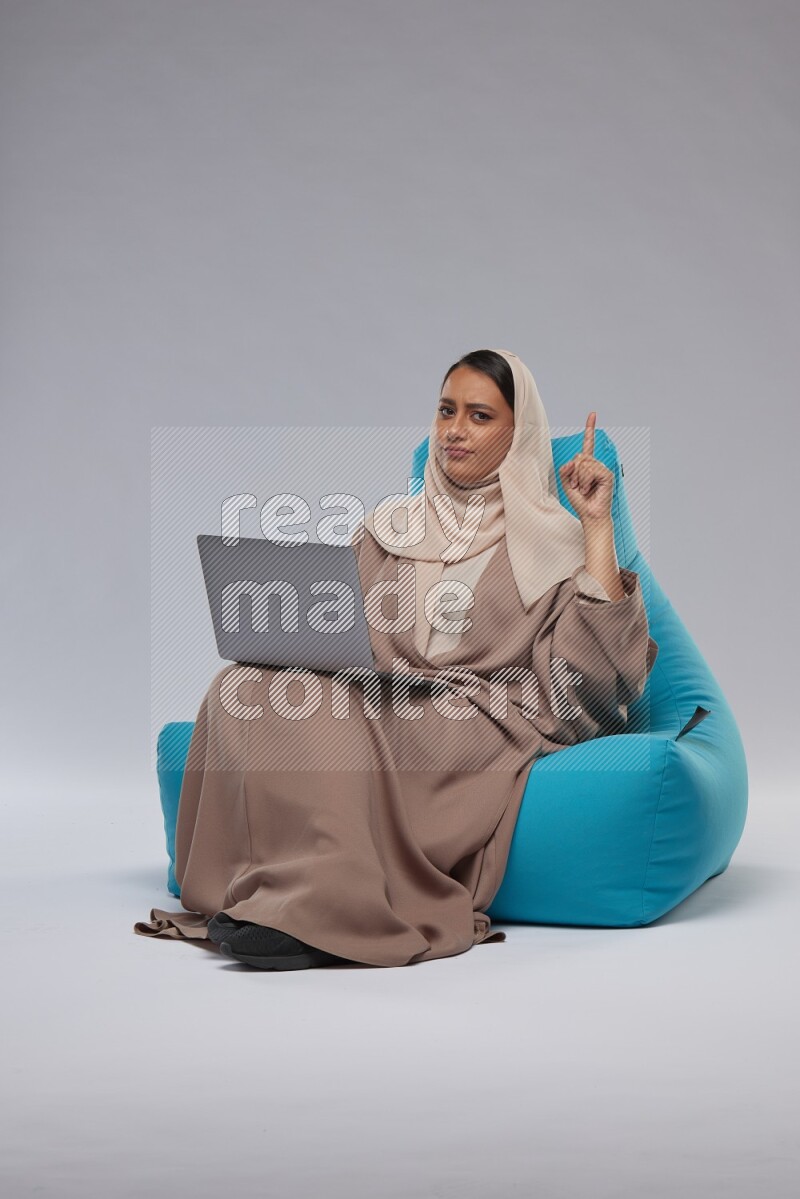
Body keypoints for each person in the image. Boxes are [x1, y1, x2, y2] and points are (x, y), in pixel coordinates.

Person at [134, 348, 658, 970]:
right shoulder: (390, 525)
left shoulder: (559, 540)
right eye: (446, 411)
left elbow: (597, 686)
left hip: (479, 715)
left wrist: (596, 524)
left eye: (480, 416)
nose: (455, 430)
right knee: (240, 686)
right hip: (385, 694)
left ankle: (326, 912)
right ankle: (265, 893)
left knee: (320, 714)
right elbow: (341, 632)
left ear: (520, 435)